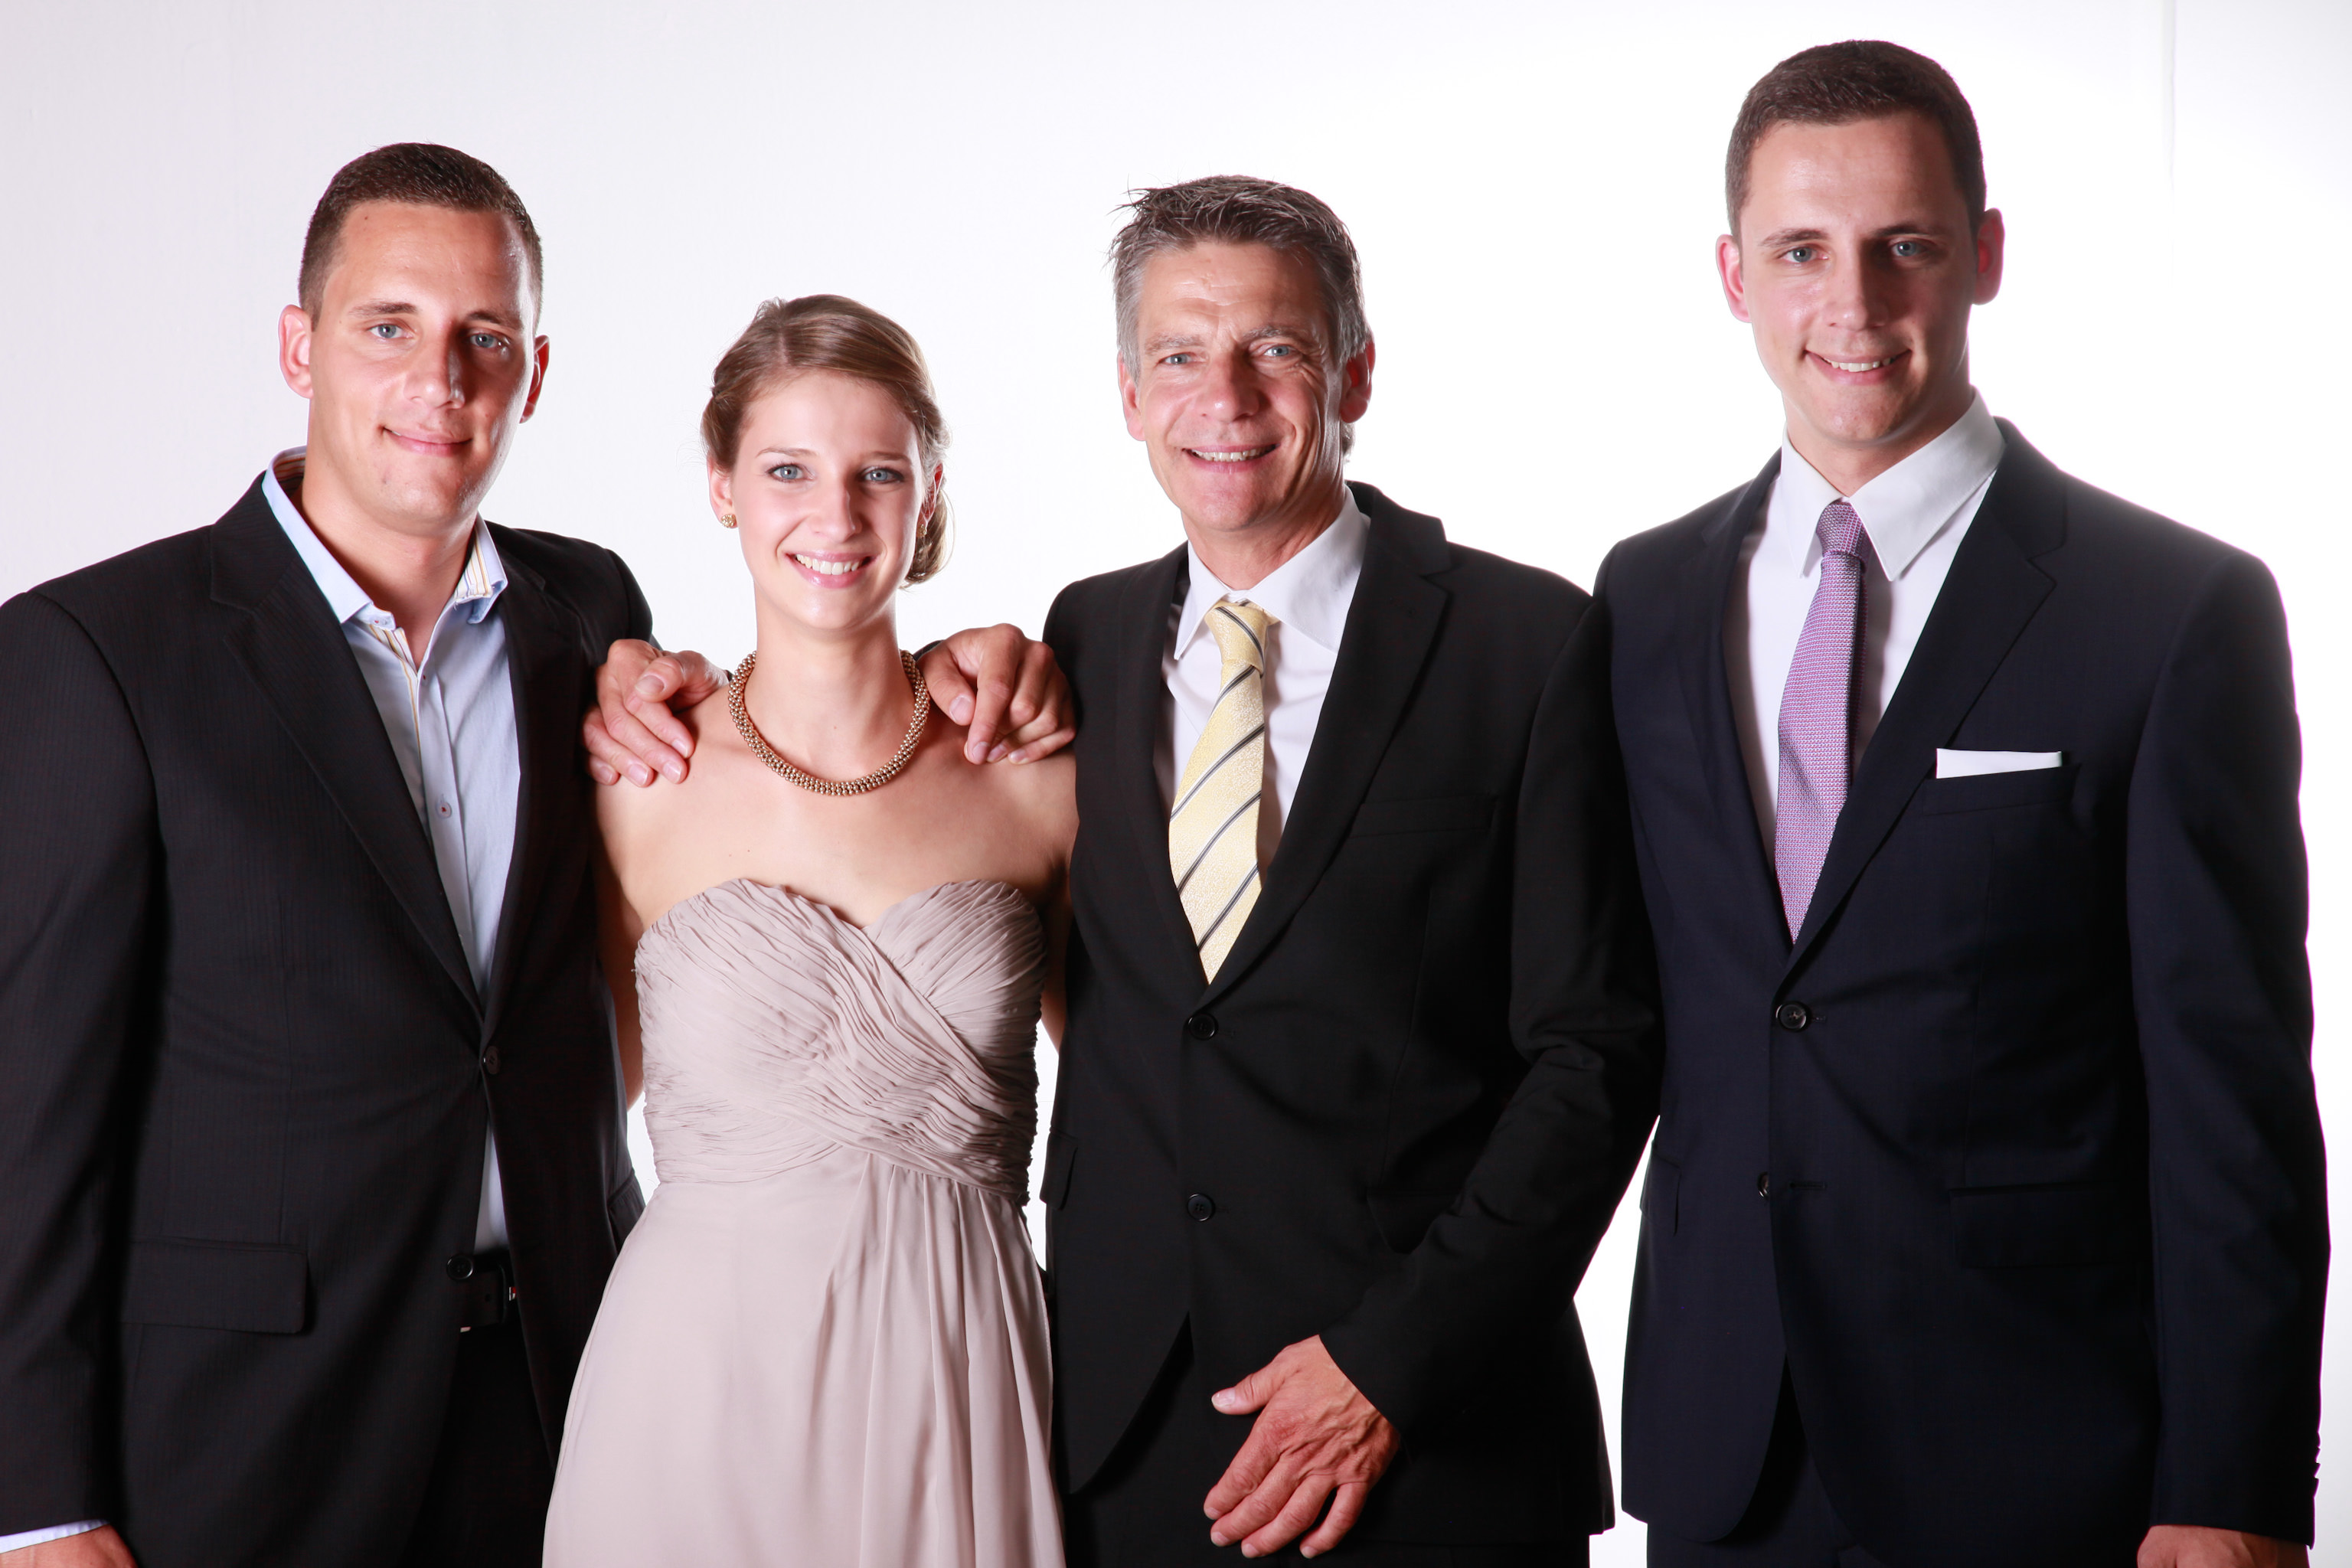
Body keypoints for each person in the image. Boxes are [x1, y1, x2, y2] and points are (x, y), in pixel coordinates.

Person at [0, 148, 1063, 1568]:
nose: (439, 380)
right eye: (389, 327)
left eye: (484, 338)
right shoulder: (99, 652)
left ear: (536, 372)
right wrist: (39, 1502)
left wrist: (976, 658)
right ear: (298, 346)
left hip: (565, 1382)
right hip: (255, 1427)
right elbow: (29, 1115)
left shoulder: (588, 618)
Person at [593, 176, 1662, 1566]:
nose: (1224, 397)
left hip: (1434, 1445)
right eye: (1178, 355)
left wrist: (1393, 1363)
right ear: (1127, 392)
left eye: (1274, 348)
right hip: (1124, 1444)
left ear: (1355, 373)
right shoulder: (1083, 650)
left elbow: (1598, 1056)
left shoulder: (1528, 643)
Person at [1595, 42, 2324, 1568]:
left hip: (2040, 1454)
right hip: (1726, 1454)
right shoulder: (1645, 601)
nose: (1852, 305)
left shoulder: (2168, 612)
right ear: (1734, 276)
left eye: (1906, 246)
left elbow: (2233, 1095)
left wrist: (2233, 1485)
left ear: (1984, 256)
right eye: (1802, 252)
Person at [541, 294, 1076, 1567]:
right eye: (787, 470)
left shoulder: (1034, 773)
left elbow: (1158, 1095)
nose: (835, 517)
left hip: (962, 1380)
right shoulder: (634, 780)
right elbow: (558, 1120)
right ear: (721, 485)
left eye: (877, 473)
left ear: (929, 496)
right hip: (693, 1389)